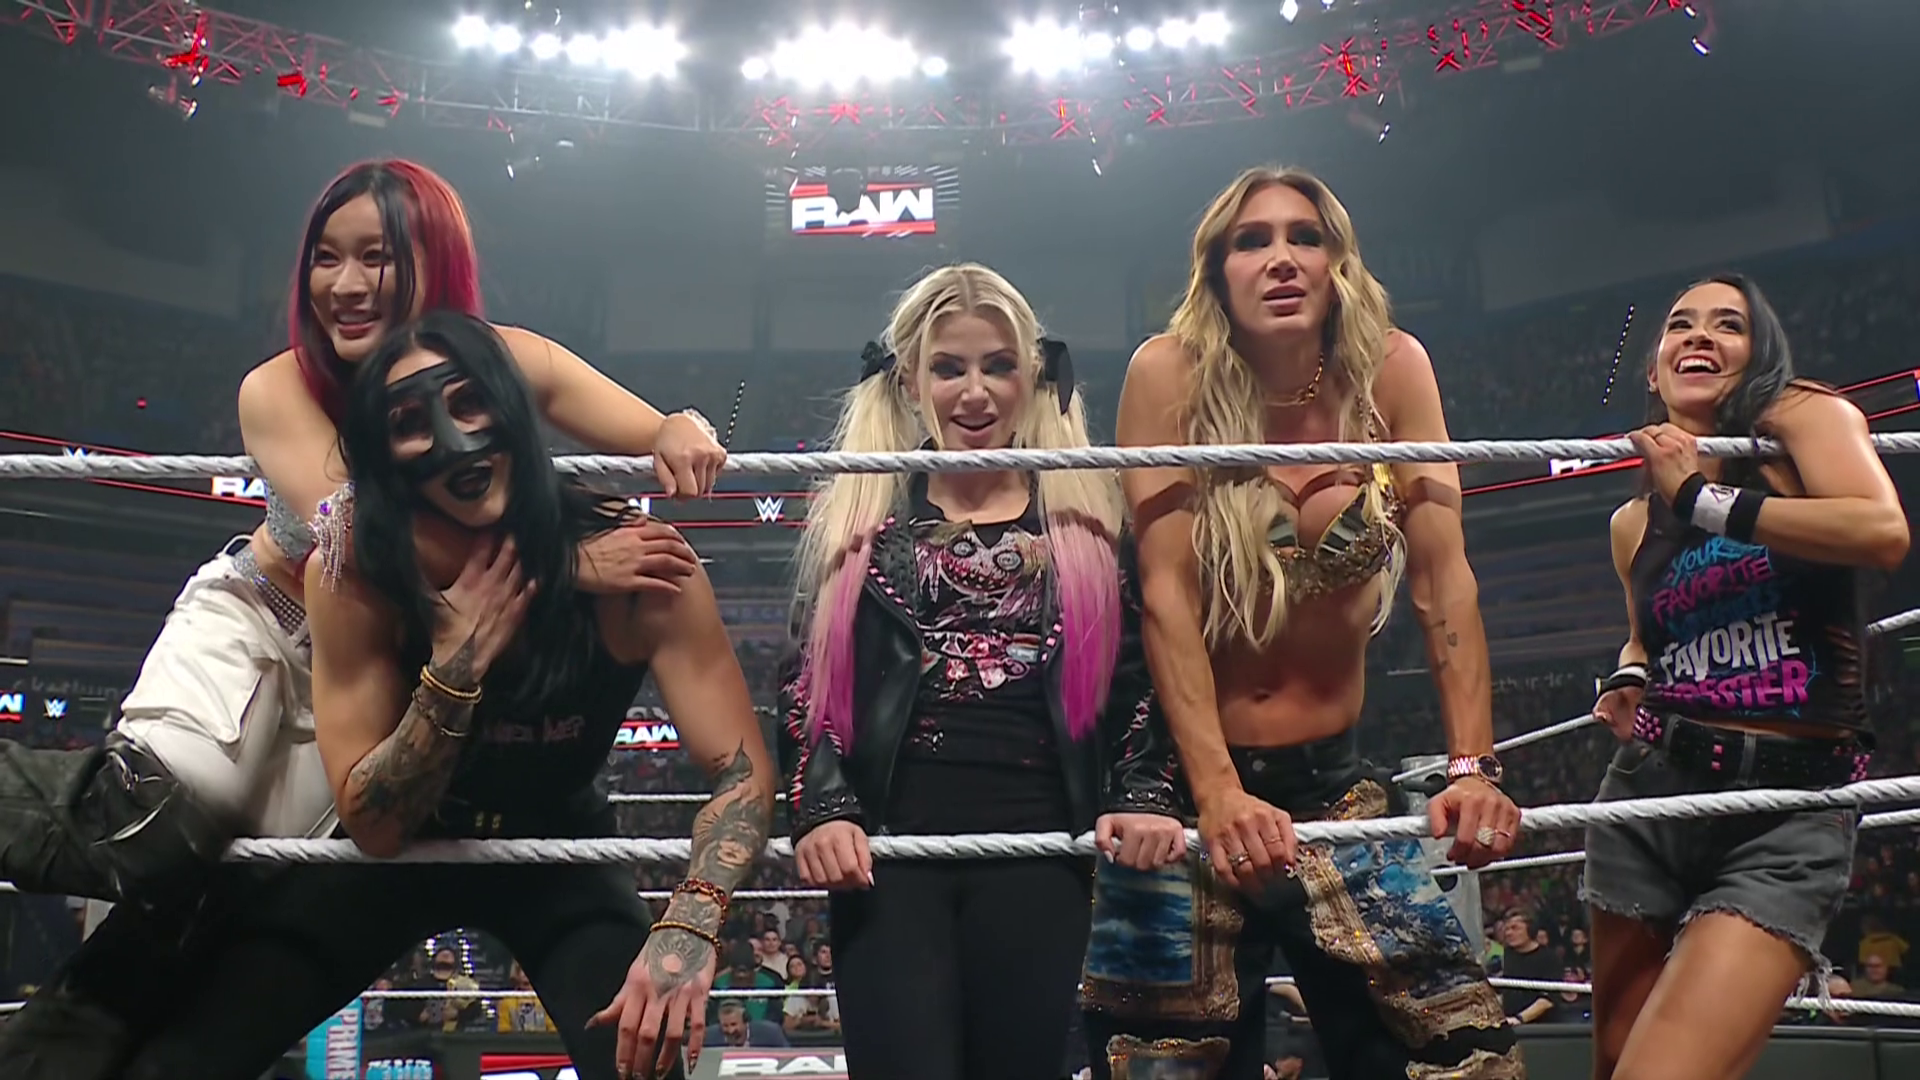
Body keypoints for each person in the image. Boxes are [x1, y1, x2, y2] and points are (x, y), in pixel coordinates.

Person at [7, 313, 775, 1080]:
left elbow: (741, 773)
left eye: (470, 402)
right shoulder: (355, 573)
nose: (453, 441)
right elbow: (375, 825)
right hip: (400, 849)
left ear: (514, 406)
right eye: (410, 423)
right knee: (182, 1062)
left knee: (643, 1061)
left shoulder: (640, 563)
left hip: (558, 847)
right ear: (384, 459)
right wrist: (455, 669)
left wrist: (691, 924)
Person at [0, 157, 722, 908]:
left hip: (371, 660)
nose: (344, 285)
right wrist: (563, 560)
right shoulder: (278, 387)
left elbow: (656, 430)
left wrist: (679, 426)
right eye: (326, 258)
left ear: (435, 262)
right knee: (150, 825)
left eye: (376, 257)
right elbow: (371, 538)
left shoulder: (502, 357)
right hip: (266, 624)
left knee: (242, 901)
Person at [1080, 165, 1524, 1079]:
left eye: (1304, 237)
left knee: (1464, 1057)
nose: (1280, 258)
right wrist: (1217, 792)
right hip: (1184, 793)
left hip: (1337, 788)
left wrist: (1472, 766)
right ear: (1217, 271)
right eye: (1252, 241)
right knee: (1158, 1068)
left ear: (1337, 263)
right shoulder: (1167, 374)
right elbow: (1165, 596)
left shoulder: (1392, 369)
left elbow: (1444, 579)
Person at [777, 263, 1188, 1080]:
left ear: (1032, 375)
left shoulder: (1088, 513)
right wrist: (822, 806)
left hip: (1044, 848)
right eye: (949, 368)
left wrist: (1143, 794)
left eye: (998, 365)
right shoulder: (860, 515)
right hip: (888, 854)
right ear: (909, 381)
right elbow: (805, 683)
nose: (975, 392)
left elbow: (1141, 675)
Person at [1584, 273, 1906, 1080]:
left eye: (1728, 324)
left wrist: (1702, 498)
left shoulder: (1801, 419)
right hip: (1655, 792)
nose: (1700, 335)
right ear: (1653, 369)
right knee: (1615, 1064)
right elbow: (1644, 642)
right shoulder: (1632, 521)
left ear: (1758, 355)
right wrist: (1626, 677)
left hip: (1788, 812)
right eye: (1680, 325)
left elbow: (1880, 529)